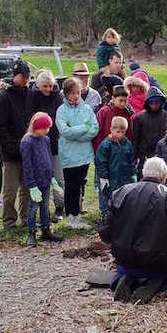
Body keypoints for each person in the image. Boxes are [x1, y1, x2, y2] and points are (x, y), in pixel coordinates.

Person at [99, 157, 167, 304]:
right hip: (157, 261)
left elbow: (105, 231)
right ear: (164, 177)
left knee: (126, 270)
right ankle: (153, 285)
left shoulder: (119, 193)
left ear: (143, 173)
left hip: (125, 257)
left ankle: (125, 279)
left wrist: (119, 241)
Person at [0, 60, 33, 231]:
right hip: (11, 152)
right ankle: (9, 221)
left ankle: (26, 219)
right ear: (15, 76)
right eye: (22, 77)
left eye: (27, 77)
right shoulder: (3, 96)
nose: (25, 80)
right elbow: (0, 125)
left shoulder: (29, 93)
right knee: (10, 191)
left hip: (28, 148)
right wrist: (10, 146)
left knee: (27, 189)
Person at [56, 77, 98, 230]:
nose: (76, 96)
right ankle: (70, 218)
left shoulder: (86, 109)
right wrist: (83, 127)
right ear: (66, 94)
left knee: (80, 185)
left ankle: (77, 216)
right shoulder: (61, 111)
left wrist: (79, 131)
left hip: (84, 155)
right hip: (69, 155)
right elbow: (65, 132)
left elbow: (94, 129)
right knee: (71, 187)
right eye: (72, 93)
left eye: (78, 92)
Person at [21, 112, 64, 246]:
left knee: (45, 206)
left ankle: (46, 230)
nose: (48, 130)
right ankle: (31, 233)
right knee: (33, 207)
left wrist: (52, 177)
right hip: (35, 183)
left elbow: (48, 159)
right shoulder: (27, 142)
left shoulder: (46, 140)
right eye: (45, 127)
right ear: (36, 126)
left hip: (46, 180)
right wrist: (32, 185)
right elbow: (27, 166)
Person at [29, 70, 66, 221]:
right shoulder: (33, 97)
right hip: (39, 141)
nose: (48, 89)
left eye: (50, 86)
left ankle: (59, 207)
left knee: (58, 177)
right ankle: (41, 211)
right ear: (38, 85)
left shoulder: (56, 96)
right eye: (45, 86)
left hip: (55, 141)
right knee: (41, 179)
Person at [95, 116, 135, 217]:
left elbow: (131, 160)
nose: (120, 134)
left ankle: (121, 216)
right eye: (118, 132)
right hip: (110, 177)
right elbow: (101, 162)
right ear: (111, 129)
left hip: (124, 177)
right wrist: (104, 177)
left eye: (123, 132)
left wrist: (133, 173)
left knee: (123, 196)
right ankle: (106, 216)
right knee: (106, 196)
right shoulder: (105, 145)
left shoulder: (127, 144)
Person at [131, 87, 167, 179]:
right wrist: (134, 157)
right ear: (148, 103)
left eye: (157, 103)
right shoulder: (140, 117)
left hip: (161, 154)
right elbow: (136, 138)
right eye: (152, 103)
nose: (154, 105)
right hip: (144, 155)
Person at [94, 85, 134, 152]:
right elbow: (97, 131)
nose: (123, 104)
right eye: (120, 101)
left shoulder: (127, 114)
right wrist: (98, 150)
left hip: (120, 152)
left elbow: (129, 134)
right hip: (104, 150)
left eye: (125, 101)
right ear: (113, 98)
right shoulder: (104, 111)